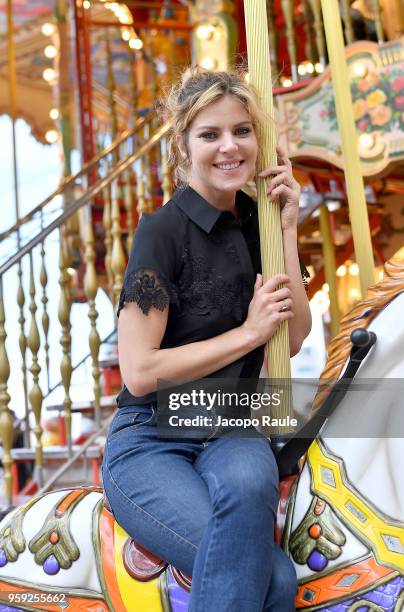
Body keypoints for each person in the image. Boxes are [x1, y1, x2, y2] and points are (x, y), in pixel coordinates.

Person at [102, 67, 311, 611]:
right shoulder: (162, 231)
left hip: (231, 426)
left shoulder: (261, 223)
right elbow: (141, 370)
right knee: (276, 579)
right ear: (183, 146)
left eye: (242, 131)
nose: (229, 146)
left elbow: (295, 335)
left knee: (248, 485)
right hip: (151, 436)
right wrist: (248, 333)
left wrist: (287, 229)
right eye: (210, 134)